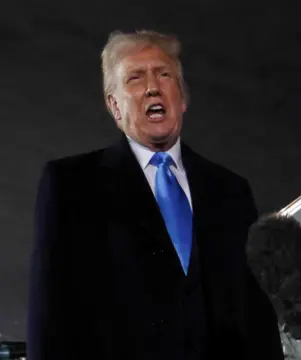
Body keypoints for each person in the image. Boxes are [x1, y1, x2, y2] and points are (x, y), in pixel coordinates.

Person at [27, 30, 283, 360]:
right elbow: (49, 313)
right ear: (114, 105)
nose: (152, 87)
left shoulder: (230, 190)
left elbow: (256, 316)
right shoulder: (70, 185)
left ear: (182, 97)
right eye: (135, 77)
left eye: (164, 75)